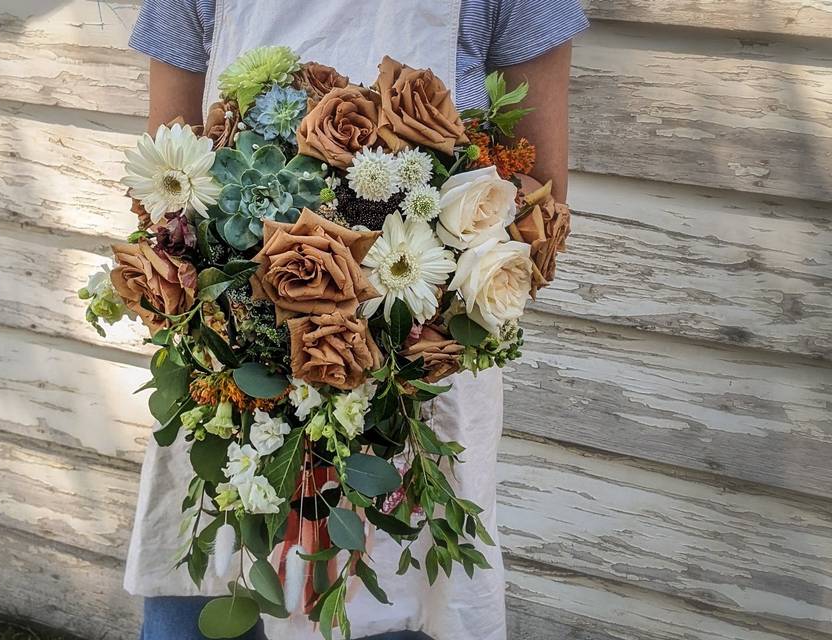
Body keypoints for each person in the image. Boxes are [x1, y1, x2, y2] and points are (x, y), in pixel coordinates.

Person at [124, 2, 588, 639]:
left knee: (391, 585)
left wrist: (390, 339)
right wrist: (250, 320)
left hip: (415, 369)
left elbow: (537, 213)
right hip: (235, 375)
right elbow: (166, 192)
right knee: (222, 553)